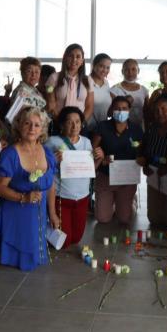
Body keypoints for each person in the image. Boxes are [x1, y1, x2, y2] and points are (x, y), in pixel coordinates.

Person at [0, 106, 60, 271]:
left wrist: (52, 213)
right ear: (18, 126)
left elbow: (50, 185)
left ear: (42, 129)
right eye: (27, 123)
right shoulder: (10, 154)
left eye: (37, 125)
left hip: (37, 214)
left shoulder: (47, 153)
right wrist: (23, 198)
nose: (32, 128)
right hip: (14, 213)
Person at [46, 106, 103, 247]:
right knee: (64, 242)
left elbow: (90, 170)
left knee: (76, 238)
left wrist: (99, 158)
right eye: (69, 122)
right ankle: (44, 228)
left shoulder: (86, 142)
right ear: (61, 124)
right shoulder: (52, 142)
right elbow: (42, 169)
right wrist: (52, 160)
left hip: (82, 197)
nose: (74, 126)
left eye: (77, 122)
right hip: (62, 197)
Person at [92, 96, 144, 224]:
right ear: (112, 110)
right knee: (103, 218)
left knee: (124, 218)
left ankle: (130, 201)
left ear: (129, 110)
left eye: (124, 108)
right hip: (106, 175)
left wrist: (141, 159)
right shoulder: (103, 126)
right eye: (117, 108)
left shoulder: (136, 129)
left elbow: (142, 151)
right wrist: (102, 158)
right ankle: (109, 202)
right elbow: (92, 150)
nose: (121, 111)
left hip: (127, 178)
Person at [141, 94, 167, 229]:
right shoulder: (151, 128)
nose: (160, 113)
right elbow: (143, 149)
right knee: (153, 217)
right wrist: (145, 165)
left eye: (164, 109)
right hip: (153, 172)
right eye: (156, 110)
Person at [46, 44, 94, 123]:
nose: (74, 59)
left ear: (82, 61)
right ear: (65, 58)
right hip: (58, 123)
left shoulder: (88, 80)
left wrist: (80, 123)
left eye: (78, 57)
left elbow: (89, 107)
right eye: (71, 56)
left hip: (79, 125)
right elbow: (51, 104)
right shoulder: (53, 78)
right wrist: (62, 124)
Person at [110, 59, 150, 126]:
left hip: (138, 128)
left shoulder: (144, 90)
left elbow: (146, 113)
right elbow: (110, 113)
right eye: (126, 69)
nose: (130, 72)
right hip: (118, 127)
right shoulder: (114, 90)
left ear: (138, 71)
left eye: (133, 69)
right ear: (122, 71)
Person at [88, 53, 112, 132]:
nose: (105, 70)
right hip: (87, 128)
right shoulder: (86, 82)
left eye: (107, 67)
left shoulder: (106, 83)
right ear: (94, 66)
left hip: (102, 129)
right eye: (101, 66)